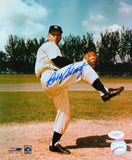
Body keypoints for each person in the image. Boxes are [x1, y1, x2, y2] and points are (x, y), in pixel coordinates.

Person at [35, 25, 124, 154]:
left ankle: (54, 144)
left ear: (61, 36)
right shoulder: (49, 45)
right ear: (48, 35)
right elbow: (58, 61)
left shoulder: (54, 47)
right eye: (53, 34)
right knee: (83, 66)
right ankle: (104, 92)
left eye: (58, 34)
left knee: (65, 113)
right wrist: (77, 64)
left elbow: (61, 64)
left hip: (53, 83)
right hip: (50, 77)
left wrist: (75, 65)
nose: (55, 36)